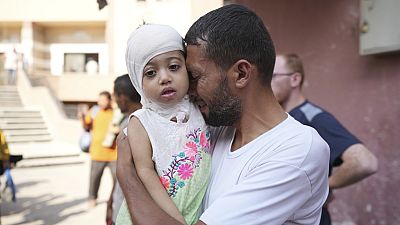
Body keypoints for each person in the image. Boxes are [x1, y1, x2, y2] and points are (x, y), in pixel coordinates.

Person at [116, 4, 330, 225]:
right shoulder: (212, 131)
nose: (187, 89)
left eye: (195, 76)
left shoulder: (297, 151)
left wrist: (126, 174)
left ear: (241, 73)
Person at [116, 24, 212, 225]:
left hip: (195, 212)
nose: (165, 78)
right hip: (158, 215)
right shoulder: (140, 122)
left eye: (174, 67)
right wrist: (176, 220)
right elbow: (145, 173)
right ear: (137, 81)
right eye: (151, 73)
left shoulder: (198, 107)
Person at [271, 53, 378, 225]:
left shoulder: (314, 117)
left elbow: (365, 162)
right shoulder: (281, 119)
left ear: (295, 79)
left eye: (273, 75)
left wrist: (323, 187)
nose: (265, 81)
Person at [106, 74, 141, 225]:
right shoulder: (129, 122)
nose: (114, 101)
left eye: (114, 96)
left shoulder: (134, 126)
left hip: (129, 214)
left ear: (122, 97)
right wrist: (111, 199)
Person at [79, 91, 117, 208]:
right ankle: (92, 197)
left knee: (117, 180)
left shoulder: (116, 113)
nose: (100, 102)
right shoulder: (94, 111)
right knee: (94, 179)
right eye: (99, 100)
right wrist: (82, 117)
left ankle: (115, 199)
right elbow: (86, 125)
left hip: (114, 154)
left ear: (109, 100)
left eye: (103, 100)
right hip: (97, 153)